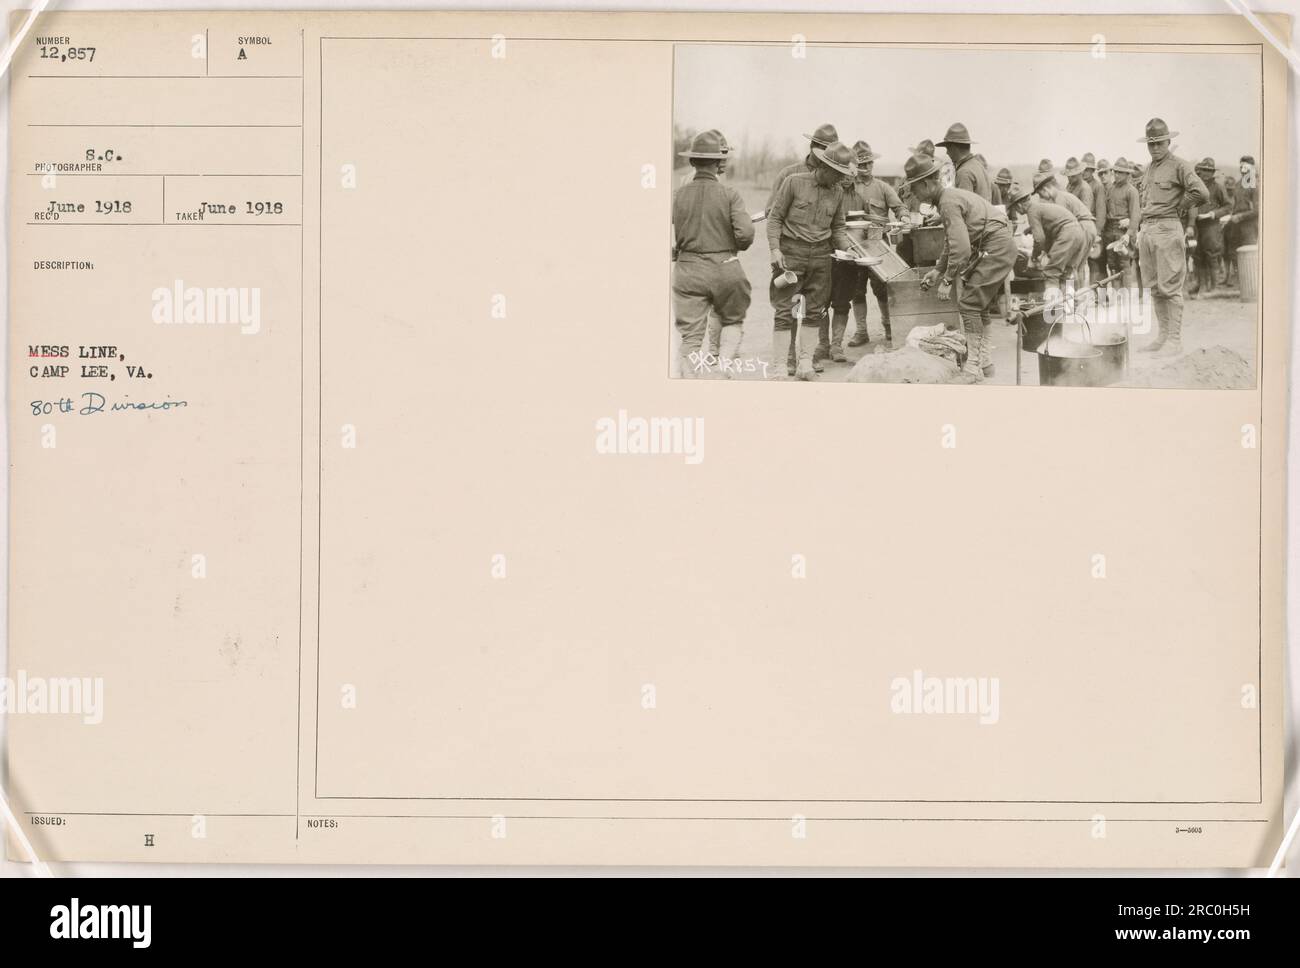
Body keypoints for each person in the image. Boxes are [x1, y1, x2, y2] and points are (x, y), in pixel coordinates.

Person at [906, 153, 1016, 382]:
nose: (914, 196)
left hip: (996, 246)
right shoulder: (947, 198)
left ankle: (973, 369)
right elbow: (952, 240)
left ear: (927, 184)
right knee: (979, 306)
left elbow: (962, 248)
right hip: (998, 244)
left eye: (914, 189)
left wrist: (947, 280)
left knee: (969, 304)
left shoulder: (947, 202)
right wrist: (938, 269)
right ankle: (985, 364)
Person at [768, 140, 855, 380]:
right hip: (790, 256)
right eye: (837, 173)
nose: (840, 179)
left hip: (821, 257)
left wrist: (847, 250)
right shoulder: (793, 182)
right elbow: (775, 219)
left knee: (814, 311)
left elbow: (837, 227)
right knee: (785, 311)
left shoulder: (837, 192)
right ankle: (779, 366)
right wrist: (775, 250)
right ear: (824, 167)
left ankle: (805, 362)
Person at [671, 130, 754, 378]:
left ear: (692, 161)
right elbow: (746, 234)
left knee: (691, 334)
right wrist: (730, 244)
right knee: (732, 319)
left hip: (687, 269)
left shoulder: (678, 195)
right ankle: (722, 368)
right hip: (724, 267)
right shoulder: (730, 195)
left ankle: (689, 378)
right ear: (719, 162)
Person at [1135, 118, 1208, 355]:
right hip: (1147, 230)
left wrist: (1181, 207)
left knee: (1170, 288)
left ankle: (1174, 341)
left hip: (1167, 230)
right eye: (1151, 144)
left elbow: (1201, 192)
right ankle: (1163, 337)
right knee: (1155, 288)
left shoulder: (1180, 165)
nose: (1155, 148)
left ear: (1168, 141)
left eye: (1159, 143)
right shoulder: (1149, 168)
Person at [833, 141, 905, 350]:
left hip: (876, 245)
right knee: (856, 289)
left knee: (882, 288)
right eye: (861, 165)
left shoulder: (882, 187)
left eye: (868, 164)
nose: (865, 169)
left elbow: (899, 208)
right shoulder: (845, 186)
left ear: (873, 164)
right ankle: (862, 331)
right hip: (851, 246)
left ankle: (889, 327)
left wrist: (904, 217)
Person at [1020, 172, 1088, 291]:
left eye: (1015, 208)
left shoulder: (1032, 210)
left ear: (1020, 205)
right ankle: (1071, 307)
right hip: (1079, 233)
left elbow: (1039, 239)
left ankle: (1053, 309)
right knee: (1067, 272)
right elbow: (1051, 229)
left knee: (1051, 273)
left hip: (1068, 234)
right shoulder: (1041, 208)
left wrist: (1035, 256)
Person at [1035, 171, 1096, 289]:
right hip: (1087, 226)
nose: (1042, 197)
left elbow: (1061, 226)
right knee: (1077, 267)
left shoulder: (1059, 199)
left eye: (1041, 193)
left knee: (1073, 267)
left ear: (1046, 189)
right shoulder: (1061, 196)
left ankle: (1075, 299)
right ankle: (1077, 299)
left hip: (1083, 227)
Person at [1187, 158, 1231, 297]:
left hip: (1211, 225)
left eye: (1209, 171)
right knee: (1197, 254)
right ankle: (1200, 284)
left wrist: (1213, 213)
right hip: (1196, 225)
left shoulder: (1218, 187)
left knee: (1212, 254)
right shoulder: (1195, 187)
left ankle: (1215, 286)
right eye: (1204, 170)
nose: (1206, 173)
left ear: (1213, 172)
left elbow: (1228, 206)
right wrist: (1191, 222)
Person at [1102, 157, 1142, 291]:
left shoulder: (1132, 191)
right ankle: (1116, 296)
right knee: (1112, 264)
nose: (1117, 174)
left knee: (1124, 263)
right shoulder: (1110, 189)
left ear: (1127, 174)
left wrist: (1128, 234)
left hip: (1123, 231)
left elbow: (1135, 215)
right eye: (1115, 172)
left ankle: (1126, 298)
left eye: (1120, 172)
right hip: (1110, 229)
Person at [1222, 155, 1258, 292]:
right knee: (1233, 252)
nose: (1243, 168)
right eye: (1241, 165)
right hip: (1236, 223)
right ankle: (1240, 283)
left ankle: (1252, 285)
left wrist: (1241, 216)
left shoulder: (1256, 184)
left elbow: (1258, 210)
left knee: (1249, 254)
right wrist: (1230, 218)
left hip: (1249, 225)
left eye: (1246, 166)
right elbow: (1235, 205)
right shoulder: (1238, 184)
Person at [938, 123, 992, 201]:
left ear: (954, 148)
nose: (947, 153)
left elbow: (964, 207)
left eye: (948, 148)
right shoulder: (978, 166)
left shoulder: (964, 172)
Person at [1081, 153, 1109, 290]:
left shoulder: (1097, 187)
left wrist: (1097, 233)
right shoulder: (1076, 185)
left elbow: (1101, 211)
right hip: (1081, 230)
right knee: (1083, 264)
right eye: (1083, 169)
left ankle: (1101, 297)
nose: (1085, 172)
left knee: (1097, 263)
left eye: (1088, 169)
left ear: (1092, 171)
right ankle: (1091, 296)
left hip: (1094, 230)